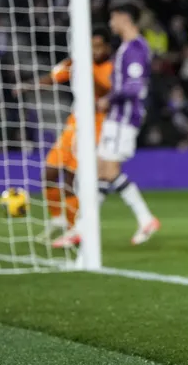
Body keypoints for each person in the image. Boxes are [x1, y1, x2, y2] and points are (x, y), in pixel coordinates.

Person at [55, 1, 159, 248]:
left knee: (109, 171)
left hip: (124, 118)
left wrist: (107, 99)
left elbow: (134, 87)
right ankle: (82, 229)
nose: (111, 24)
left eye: (113, 18)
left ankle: (145, 218)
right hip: (117, 118)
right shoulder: (127, 47)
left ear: (124, 18)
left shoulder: (134, 48)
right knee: (101, 174)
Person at [15, 28, 114, 241]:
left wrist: (87, 69)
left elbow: (106, 90)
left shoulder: (111, 67)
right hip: (74, 124)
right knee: (49, 174)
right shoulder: (78, 62)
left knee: (71, 179)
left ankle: (74, 229)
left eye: (99, 46)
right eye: (92, 46)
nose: (95, 50)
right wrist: (28, 87)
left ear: (107, 47)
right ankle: (57, 219)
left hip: (96, 128)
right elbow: (53, 77)